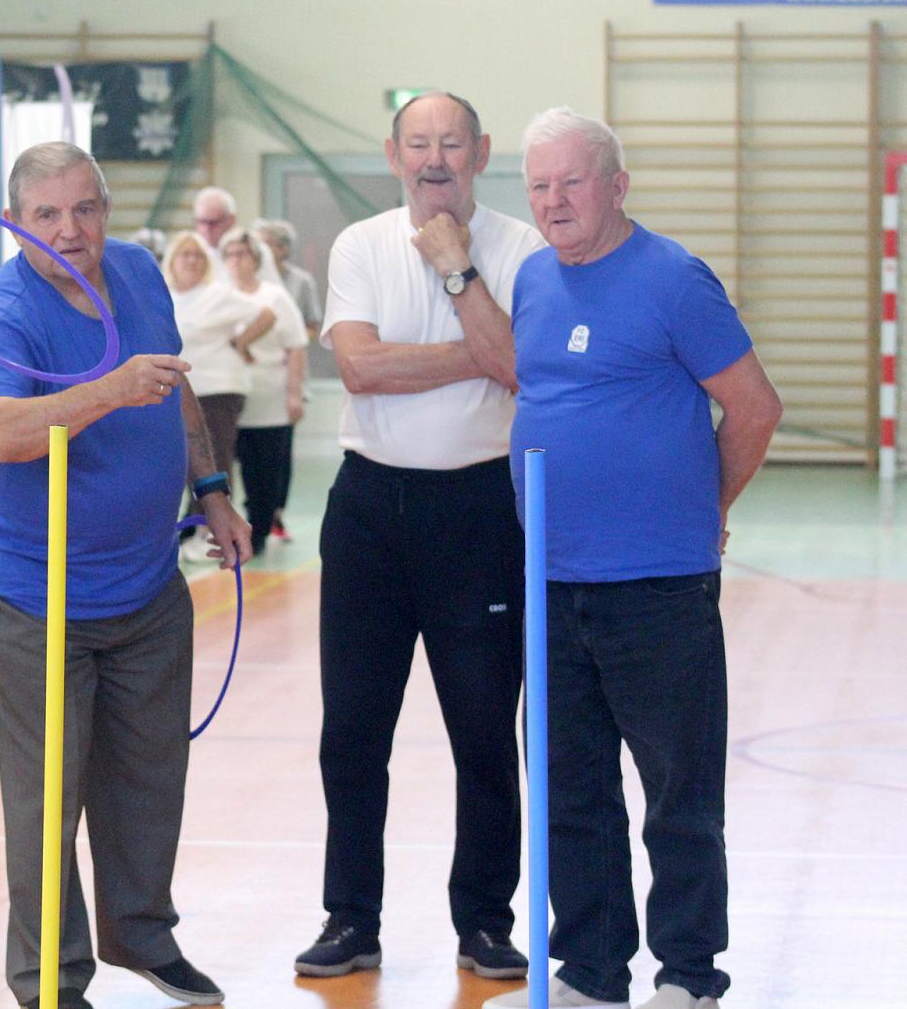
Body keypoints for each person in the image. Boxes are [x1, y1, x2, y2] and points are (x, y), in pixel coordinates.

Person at [485, 108, 781, 1009]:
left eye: (571, 182)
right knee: (570, 788)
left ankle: (688, 976)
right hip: (551, 580)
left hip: (657, 585)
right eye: (539, 185)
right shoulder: (533, 279)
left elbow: (754, 406)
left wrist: (706, 505)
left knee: (677, 793)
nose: (553, 201)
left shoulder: (673, 278)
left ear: (617, 185)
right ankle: (590, 972)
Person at [0, 142, 250, 1009]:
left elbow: (174, 387)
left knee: (150, 778)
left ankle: (142, 934)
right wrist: (110, 387)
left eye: (84, 208)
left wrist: (212, 488)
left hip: (148, 581)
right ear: (15, 222)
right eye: (47, 215)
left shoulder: (137, 271)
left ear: (106, 207)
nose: (69, 230)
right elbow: (5, 431)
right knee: (47, 794)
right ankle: (50, 979)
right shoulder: (5, 310)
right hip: (39, 592)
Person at [301, 91, 543, 982]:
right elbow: (360, 367)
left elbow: (518, 367)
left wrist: (456, 271)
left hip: (481, 512)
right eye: (418, 143)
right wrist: (477, 350)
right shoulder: (360, 245)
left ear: (481, 151)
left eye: (450, 142)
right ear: (393, 153)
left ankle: (484, 922)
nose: (434, 158)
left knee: (484, 733)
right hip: (369, 511)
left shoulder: (522, 249)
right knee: (352, 730)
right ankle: (349, 918)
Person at [161, 229, 275, 560]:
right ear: (172, 260)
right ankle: (191, 528)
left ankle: (210, 534)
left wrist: (241, 343)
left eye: (198, 255)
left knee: (213, 460)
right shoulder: (167, 295)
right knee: (181, 462)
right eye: (185, 254)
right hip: (177, 393)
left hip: (217, 390)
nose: (192, 261)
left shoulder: (217, 294)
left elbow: (266, 314)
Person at [226, 229, 308, 558]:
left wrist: (294, 394)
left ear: (257, 260)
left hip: (268, 397)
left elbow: (296, 346)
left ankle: (258, 532)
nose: (236, 261)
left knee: (264, 472)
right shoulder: (219, 294)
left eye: (243, 254)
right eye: (230, 254)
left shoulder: (274, 297)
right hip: (229, 398)